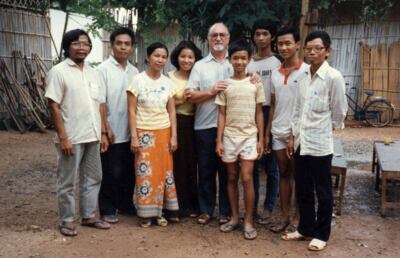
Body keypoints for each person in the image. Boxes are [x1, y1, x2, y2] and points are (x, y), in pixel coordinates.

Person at [282, 31, 347, 251]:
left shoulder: (333, 77)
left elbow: (339, 110)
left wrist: (328, 128)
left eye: (317, 48)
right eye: (308, 48)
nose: (312, 52)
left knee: (323, 190)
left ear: (327, 51)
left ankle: (321, 234)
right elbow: (297, 109)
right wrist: (292, 137)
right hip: (301, 142)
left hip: (320, 143)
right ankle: (305, 228)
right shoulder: (302, 75)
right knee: (303, 188)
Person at [45, 29, 110, 237]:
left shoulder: (94, 72)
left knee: (94, 176)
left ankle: (89, 215)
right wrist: (63, 137)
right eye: (76, 43)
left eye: (85, 43)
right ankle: (67, 219)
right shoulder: (58, 71)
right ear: (67, 46)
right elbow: (53, 105)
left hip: (92, 135)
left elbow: (100, 104)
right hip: (71, 136)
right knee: (67, 180)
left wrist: (103, 132)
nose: (82, 47)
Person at [216, 39, 264, 240]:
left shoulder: (255, 83)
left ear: (249, 60)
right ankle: (235, 218)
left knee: (247, 177)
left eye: (243, 58)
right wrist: (218, 140)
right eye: (235, 58)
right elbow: (221, 114)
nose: (239, 62)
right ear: (229, 60)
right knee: (231, 177)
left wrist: (261, 139)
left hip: (249, 137)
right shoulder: (225, 85)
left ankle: (249, 221)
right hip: (229, 137)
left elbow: (260, 113)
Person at [127, 42, 179, 227]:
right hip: (144, 133)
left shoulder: (167, 82)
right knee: (145, 174)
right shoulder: (137, 80)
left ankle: (161, 212)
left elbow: (172, 111)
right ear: (148, 57)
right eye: (156, 55)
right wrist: (134, 136)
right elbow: (131, 111)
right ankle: (145, 214)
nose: (160, 59)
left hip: (164, 132)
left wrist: (174, 136)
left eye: (164, 57)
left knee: (164, 174)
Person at [186, 22, 232, 225]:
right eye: (214, 35)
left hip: (231, 128)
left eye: (222, 35)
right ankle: (205, 209)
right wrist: (210, 92)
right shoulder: (200, 65)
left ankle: (226, 210)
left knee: (227, 171)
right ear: (208, 39)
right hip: (204, 126)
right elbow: (189, 96)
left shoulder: (238, 62)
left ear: (228, 38)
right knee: (205, 169)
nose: (219, 38)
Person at [266, 27, 309, 233]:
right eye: (280, 44)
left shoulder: (306, 71)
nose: (283, 47)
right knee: (283, 173)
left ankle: (297, 217)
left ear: (298, 45)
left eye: (287, 43)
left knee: (299, 175)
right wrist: (267, 133)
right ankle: (283, 217)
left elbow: (304, 107)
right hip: (278, 132)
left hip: (298, 134)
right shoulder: (275, 74)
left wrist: (294, 134)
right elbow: (273, 104)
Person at [97, 27, 139, 224]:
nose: (123, 47)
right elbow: (100, 102)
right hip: (111, 131)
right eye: (119, 43)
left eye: (127, 44)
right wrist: (105, 129)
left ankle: (125, 204)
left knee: (129, 171)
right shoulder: (103, 70)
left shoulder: (135, 71)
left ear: (131, 47)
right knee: (110, 172)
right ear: (112, 45)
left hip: (131, 131)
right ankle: (107, 208)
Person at [247, 18, 281, 225]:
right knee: (252, 163)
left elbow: (276, 97)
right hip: (251, 113)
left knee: (271, 165)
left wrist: (268, 131)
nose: (261, 38)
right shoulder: (248, 62)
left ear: (272, 37)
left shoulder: (278, 63)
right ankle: (252, 208)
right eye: (257, 34)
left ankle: (268, 207)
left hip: (271, 113)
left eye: (265, 34)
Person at [168, 40, 202, 218]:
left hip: (196, 122)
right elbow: (165, 102)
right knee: (178, 164)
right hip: (177, 122)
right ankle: (178, 205)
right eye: (183, 56)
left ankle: (194, 205)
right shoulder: (169, 77)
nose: (186, 60)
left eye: (190, 57)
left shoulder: (198, 76)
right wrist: (184, 100)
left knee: (193, 164)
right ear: (177, 57)